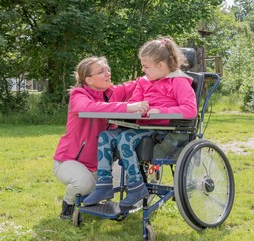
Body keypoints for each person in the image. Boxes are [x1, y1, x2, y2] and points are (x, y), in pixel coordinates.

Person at [83, 37, 197, 209]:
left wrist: (162, 111)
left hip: (164, 131)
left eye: (146, 66)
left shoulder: (179, 82)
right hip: (142, 127)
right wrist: (135, 108)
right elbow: (134, 102)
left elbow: (190, 110)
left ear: (160, 65)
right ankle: (104, 185)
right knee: (105, 136)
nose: (143, 70)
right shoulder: (144, 82)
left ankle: (136, 187)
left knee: (126, 138)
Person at [53, 56, 149, 219]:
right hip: (69, 161)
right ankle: (68, 203)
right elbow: (89, 107)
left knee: (105, 185)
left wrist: (165, 69)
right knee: (84, 184)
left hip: (98, 163)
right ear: (88, 79)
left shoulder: (114, 93)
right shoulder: (78, 94)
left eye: (107, 69)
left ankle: (89, 196)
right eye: (101, 71)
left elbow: (142, 82)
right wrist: (128, 107)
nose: (108, 73)